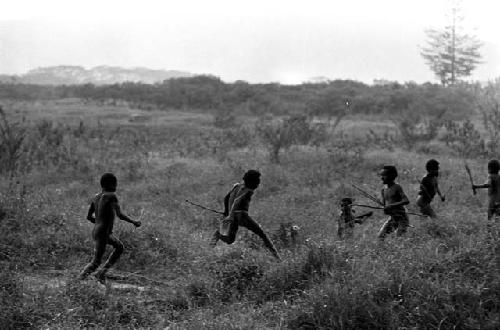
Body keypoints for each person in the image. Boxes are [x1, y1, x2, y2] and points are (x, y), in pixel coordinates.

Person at [79, 173, 141, 283]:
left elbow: (89, 217)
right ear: (111, 184)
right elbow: (120, 215)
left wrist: (99, 223)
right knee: (96, 262)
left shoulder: (96, 197)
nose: (116, 186)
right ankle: (77, 281)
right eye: (115, 184)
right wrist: (134, 221)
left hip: (98, 232)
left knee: (119, 247)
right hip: (103, 233)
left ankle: (101, 273)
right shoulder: (111, 196)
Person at [210, 170, 280, 260]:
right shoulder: (249, 190)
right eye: (258, 179)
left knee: (230, 240)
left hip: (234, 215)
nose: (259, 182)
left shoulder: (237, 186)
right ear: (253, 181)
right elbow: (236, 201)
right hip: (242, 216)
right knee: (262, 235)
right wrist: (230, 215)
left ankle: (217, 236)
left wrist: (227, 213)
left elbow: (228, 198)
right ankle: (278, 258)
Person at [378, 165, 410, 240]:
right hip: (393, 218)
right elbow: (385, 207)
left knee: (399, 238)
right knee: (380, 237)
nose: (381, 178)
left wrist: (391, 205)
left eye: (384, 175)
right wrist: (385, 209)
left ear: (391, 176)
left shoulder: (397, 187)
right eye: (381, 175)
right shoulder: (383, 190)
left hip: (402, 217)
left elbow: (406, 200)